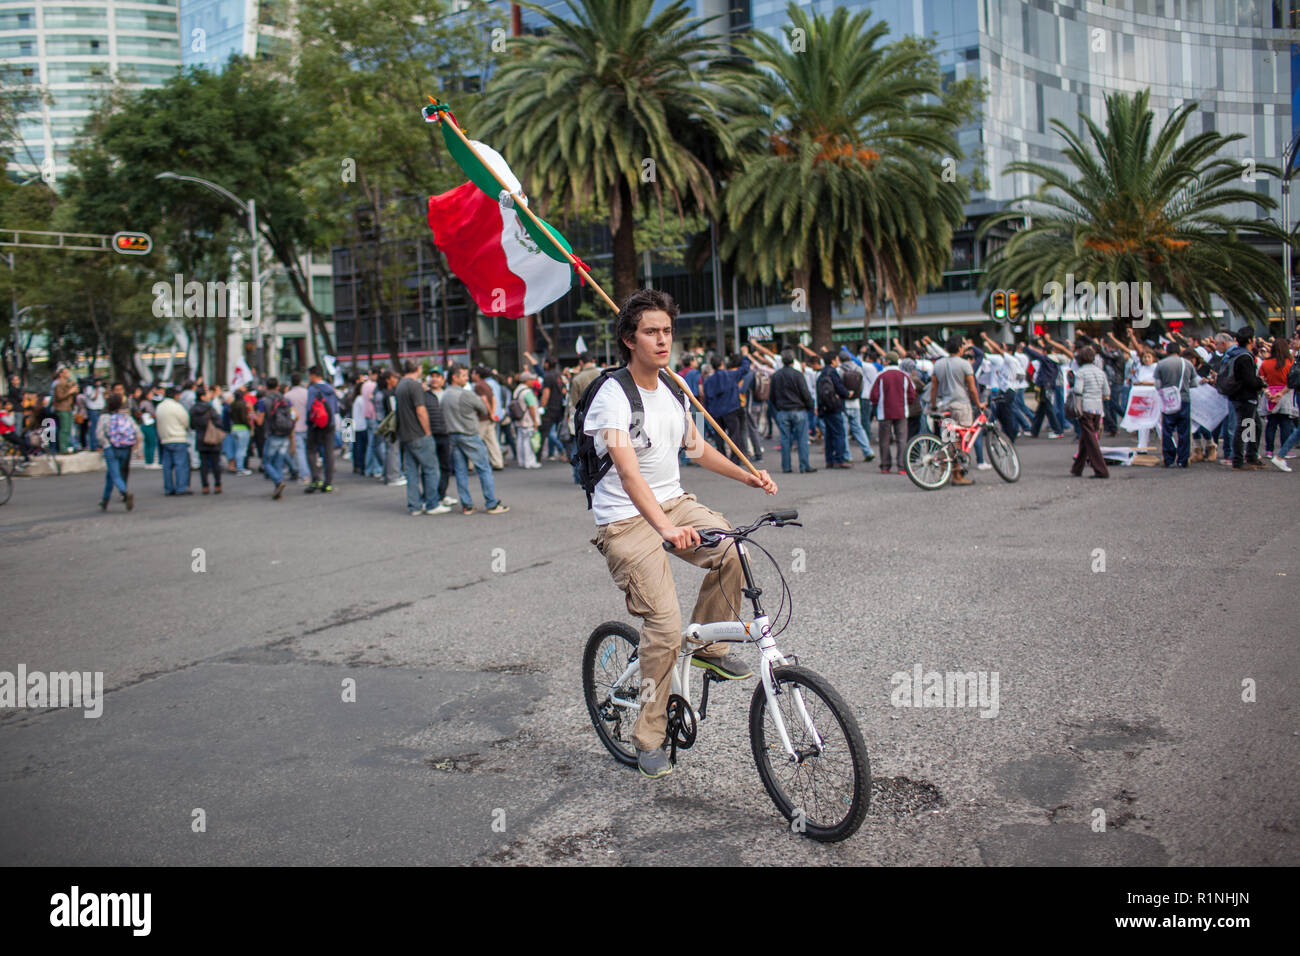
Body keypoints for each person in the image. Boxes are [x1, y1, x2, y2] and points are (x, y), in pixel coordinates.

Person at [585, 289, 777, 779]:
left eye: (667, 330)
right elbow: (628, 474)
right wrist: (666, 529)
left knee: (736, 550)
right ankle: (647, 735)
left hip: (674, 502)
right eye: (651, 331)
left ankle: (710, 650)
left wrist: (746, 475)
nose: (662, 339)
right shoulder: (611, 397)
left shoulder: (671, 388)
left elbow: (696, 448)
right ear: (629, 339)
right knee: (666, 630)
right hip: (627, 519)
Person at [442, 363, 509, 514]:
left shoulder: (445, 394)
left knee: (460, 471)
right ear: (455, 377)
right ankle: (491, 503)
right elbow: (483, 408)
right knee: (484, 468)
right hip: (468, 433)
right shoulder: (465, 394)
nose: (467, 378)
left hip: (452, 434)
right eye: (464, 375)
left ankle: (467, 504)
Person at [393, 359, 450, 516]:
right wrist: (427, 431)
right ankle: (431, 504)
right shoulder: (415, 386)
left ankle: (414, 505)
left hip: (405, 434)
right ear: (418, 368)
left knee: (411, 472)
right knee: (432, 469)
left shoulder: (400, 385)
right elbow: (421, 410)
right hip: (418, 433)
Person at [929, 335, 983, 486]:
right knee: (960, 441)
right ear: (960, 348)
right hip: (961, 405)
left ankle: (944, 471)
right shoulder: (965, 364)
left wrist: (933, 406)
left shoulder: (938, 364)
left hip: (944, 406)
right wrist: (978, 404)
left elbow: (934, 387)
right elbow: (972, 389)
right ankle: (957, 474)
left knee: (948, 439)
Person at [1221, 328, 1267, 470]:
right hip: (1246, 397)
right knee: (1245, 427)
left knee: (1254, 426)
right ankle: (1239, 460)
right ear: (1249, 340)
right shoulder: (1245, 357)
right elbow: (1249, 380)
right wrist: (1261, 382)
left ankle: (1251, 456)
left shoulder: (1235, 354)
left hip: (1238, 395)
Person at [868, 351, 916, 474]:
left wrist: (875, 406)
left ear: (887, 361)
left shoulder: (881, 375)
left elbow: (874, 395)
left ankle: (885, 465)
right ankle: (902, 466)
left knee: (884, 440)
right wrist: (907, 403)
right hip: (901, 411)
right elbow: (911, 394)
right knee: (901, 440)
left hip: (884, 412)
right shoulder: (904, 376)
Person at [770, 348, 816, 473]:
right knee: (802, 438)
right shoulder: (797, 374)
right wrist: (810, 406)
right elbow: (805, 393)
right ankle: (804, 465)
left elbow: (772, 396)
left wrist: (778, 407)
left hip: (783, 410)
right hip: (798, 409)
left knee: (785, 439)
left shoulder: (776, 375)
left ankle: (786, 466)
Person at [93, 392, 142, 510]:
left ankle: (124, 492)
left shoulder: (104, 417)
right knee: (112, 474)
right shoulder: (126, 417)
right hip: (125, 448)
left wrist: (106, 444)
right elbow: (138, 432)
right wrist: (137, 447)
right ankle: (105, 500)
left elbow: (99, 434)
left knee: (114, 474)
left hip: (111, 448)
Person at [1068, 346, 1110, 478]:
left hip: (1085, 407)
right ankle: (1077, 468)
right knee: (1087, 438)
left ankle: (1101, 470)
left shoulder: (1080, 372)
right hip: (1098, 408)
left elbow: (1078, 390)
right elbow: (1107, 392)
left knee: (1091, 440)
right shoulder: (1100, 372)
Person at [1154, 341, 1197, 468]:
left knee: (1167, 430)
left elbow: (1157, 385)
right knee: (1184, 430)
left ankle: (1168, 458)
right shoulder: (1187, 364)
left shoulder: (1161, 364)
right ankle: (1183, 459)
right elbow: (1194, 383)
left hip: (1168, 401)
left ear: (1166, 352)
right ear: (1179, 351)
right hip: (1184, 399)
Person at [304, 365, 339, 493]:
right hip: (330, 423)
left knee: (311, 450)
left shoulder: (312, 389)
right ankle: (328, 482)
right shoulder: (331, 388)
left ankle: (315, 479)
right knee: (329, 452)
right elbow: (335, 408)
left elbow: (309, 408)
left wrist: (309, 421)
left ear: (313, 375)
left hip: (316, 424)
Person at [1259, 337, 1295, 461]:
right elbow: (1292, 380)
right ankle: (1285, 450)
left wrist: (1267, 391)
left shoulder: (1265, 363)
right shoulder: (1290, 363)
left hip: (1269, 393)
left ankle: (1269, 450)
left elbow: (1261, 379)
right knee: (1285, 424)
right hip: (1285, 394)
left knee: (1271, 424)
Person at [816, 351, 852, 468]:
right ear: (832, 361)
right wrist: (848, 393)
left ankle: (829, 459)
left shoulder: (822, 373)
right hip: (835, 407)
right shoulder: (832, 372)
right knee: (839, 433)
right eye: (837, 359)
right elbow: (839, 388)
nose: (838, 362)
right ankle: (840, 459)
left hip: (825, 407)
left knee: (829, 435)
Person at [425, 371, 456, 507]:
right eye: (432, 376)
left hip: (446, 434)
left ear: (443, 380)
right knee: (430, 468)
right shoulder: (424, 395)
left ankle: (441, 494)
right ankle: (430, 497)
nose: (434, 379)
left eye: (437, 376)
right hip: (430, 435)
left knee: (445, 467)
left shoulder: (447, 394)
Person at [261, 378, 295, 499]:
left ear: (266, 387)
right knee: (279, 462)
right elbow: (295, 415)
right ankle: (278, 485)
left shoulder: (264, 401)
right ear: (277, 386)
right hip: (285, 433)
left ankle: (278, 481)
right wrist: (290, 426)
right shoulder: (285, 399)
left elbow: (260, 421)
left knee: (266, 462)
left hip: (273, 433)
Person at [155, 386, 192, 495]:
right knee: (180, 464)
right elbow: (186, 420)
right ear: (175, 395)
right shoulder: (177, 407)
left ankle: (168, 488)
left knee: (167, 465)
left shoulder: (160, 407)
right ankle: (181, 487)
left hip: (165, 438)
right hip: (178, 437)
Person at [189, 385, 224, 494]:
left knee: (203, 464)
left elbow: (192, 425)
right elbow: (219, 422)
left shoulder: (193, 409)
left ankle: (205, 486)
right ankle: (217, 484)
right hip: (212, 438)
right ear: (202, 397)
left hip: (200, 438)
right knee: (215, 463)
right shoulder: (210, 408)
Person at [471, 366, 506, 470]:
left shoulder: (478, 386)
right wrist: (493, 413)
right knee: (492, 441)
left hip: (482, 417)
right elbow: (494, 399)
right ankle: (498, 462)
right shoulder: (488, 384)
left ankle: (470, 464)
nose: (471, 376)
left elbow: (484, 400)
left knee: (475, 441)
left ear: (477, 375)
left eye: (473, 373)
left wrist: (490, 412)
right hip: (490, 417)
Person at [512, 369, 542, 468]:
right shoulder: (527, 392)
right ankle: (529, 462)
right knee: (528, 442)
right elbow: (531, 407)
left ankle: (521, 461)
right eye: (531, 379)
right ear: (526, 380)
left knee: (520, 440)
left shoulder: (517, 390)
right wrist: (535, 421)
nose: (533, 381)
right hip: (527, 420)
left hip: (519, 419)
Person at [285, 372, 311, 483]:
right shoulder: (307, 393)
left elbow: (288, 412)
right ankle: (311, 471)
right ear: (300, 381)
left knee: (299, 451)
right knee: (310, 450)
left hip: (295, 426)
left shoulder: (287, 396)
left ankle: (304, 474)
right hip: (308, 424)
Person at [52, 367, 79, 454]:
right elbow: (59, 397)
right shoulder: (58, 384)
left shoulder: (68, 383)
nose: (68, 374)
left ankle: (68, 446)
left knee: (68, 428)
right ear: (61, 374)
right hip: (61, 408)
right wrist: (70, 392)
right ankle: (63, 448)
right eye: (66, 373)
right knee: (64, 429)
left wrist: (74, 389)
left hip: (68, 408)